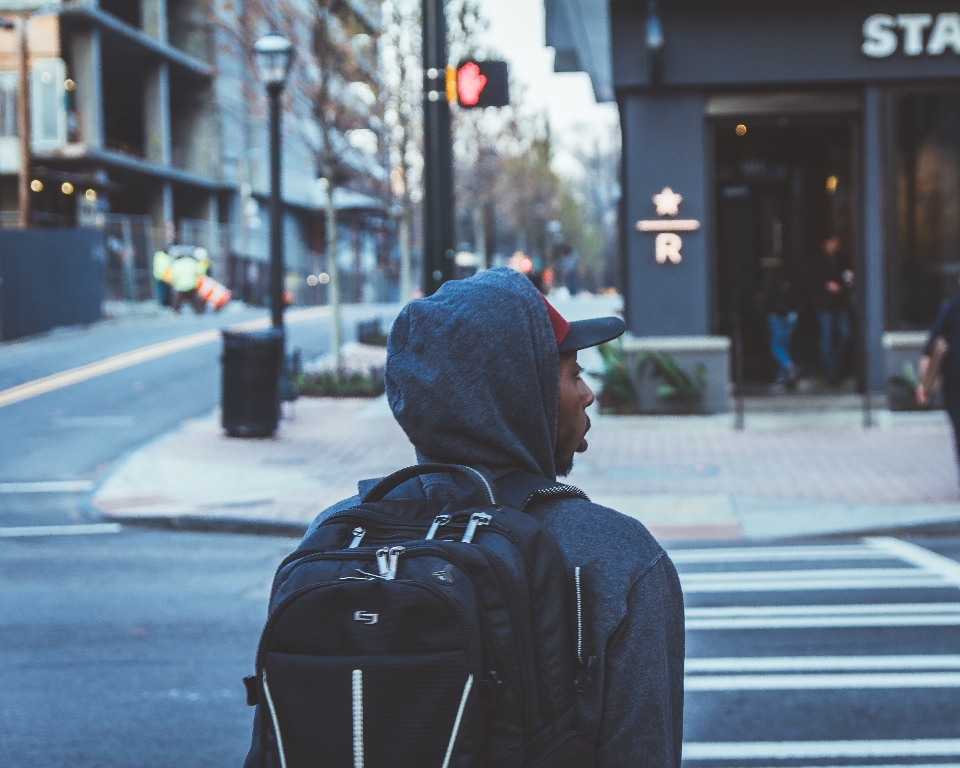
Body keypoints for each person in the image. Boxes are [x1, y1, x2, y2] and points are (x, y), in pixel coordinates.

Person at [304, 267, 685, 767]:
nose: (587, 394)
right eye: (573, 375)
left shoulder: (334, 538)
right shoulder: (617, 559)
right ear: (520, 397)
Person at [917, 282, 960, 481]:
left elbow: (930, 347)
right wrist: (924, 384)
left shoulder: (950, 308)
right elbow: (932, 347)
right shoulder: (951, 308)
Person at [815, 234, 853, 382]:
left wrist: (847, 282)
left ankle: (836, 366)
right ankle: (831, 371)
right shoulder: (817, 260)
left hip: (840, 304)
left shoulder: (841, 259)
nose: (836, 246)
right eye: (834, 242)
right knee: (827, 338)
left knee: (845, 334)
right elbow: (809, 280)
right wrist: (825, 285)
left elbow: (848, 277)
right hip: (824, 305)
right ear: (826, 242)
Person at [762, 261, 799, 387]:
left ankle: (788, 366)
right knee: (785, 346)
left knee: (775, 346)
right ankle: (782, 376)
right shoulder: (793, 276)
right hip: (791, 315)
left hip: (776, 315)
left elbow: (767, 296)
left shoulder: (771, 277)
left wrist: (767, 311)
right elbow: (799, 295)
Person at [167, 247, 205, 314]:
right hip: (191, 284)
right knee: (193, 299)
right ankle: (199, 311)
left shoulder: (176, 264)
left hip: (181, 286)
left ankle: (175, 311)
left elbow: (173, 276)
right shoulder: (190, 261)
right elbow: (199, 271)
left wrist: (174, 283)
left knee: (178, 300)